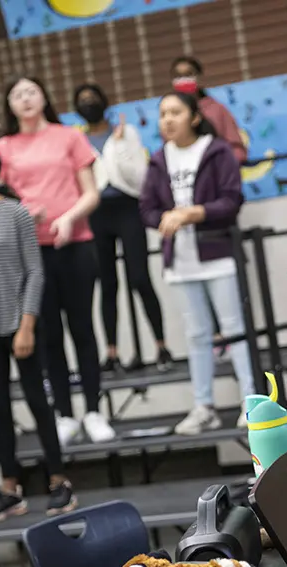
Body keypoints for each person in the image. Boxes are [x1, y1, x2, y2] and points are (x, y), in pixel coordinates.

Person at [0, 143, 77, 522]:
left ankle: (59, 481)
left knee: (39, 402)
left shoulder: (16, 213)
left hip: (21, 325)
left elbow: (35, 272)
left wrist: (27, 325)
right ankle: (10, 489)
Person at [0, 76, 115, 444]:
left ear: (45, 96)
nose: (26, 99)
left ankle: (93, 411)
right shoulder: (1, 147)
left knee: (82, 329)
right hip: (30, 253)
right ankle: (63, 414)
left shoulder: (69, 137)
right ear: (9, 105)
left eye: (31, 91)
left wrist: (68, 218)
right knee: (48, 335)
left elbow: (92, 193)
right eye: (17, 94)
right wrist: (21, 214)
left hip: (76, 244)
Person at [139, 92, 254, 434]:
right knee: (197, 334)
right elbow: (146, 208)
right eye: (162, 114)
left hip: (218, 254)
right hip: (181, 260)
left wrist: (194, 213)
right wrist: (165, 218)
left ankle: (252, 402)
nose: (167, 120)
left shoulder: (216, 151)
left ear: (193, 116)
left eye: (175, 112)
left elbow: (232, 200)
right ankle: (203, 406)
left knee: (235, 329)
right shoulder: (159, 159)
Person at [73, 83, 172, 374]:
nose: (89, 103)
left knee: (140, 278)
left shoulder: (126, 133)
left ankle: (161, 346)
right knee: (107, 284)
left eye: (93, 98)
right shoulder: (77, 141)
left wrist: (118, 148)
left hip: (127, 208)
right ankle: (112, 352)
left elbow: (139, 177)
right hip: (96, 213)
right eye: (82, 100)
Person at [170, 56, 246, 164]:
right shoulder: (169, 116)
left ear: (199, 77)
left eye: (188, 75)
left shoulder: (217, 110)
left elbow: (237, 150)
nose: (183, 80)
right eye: (178, 76)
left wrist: (222, 167)